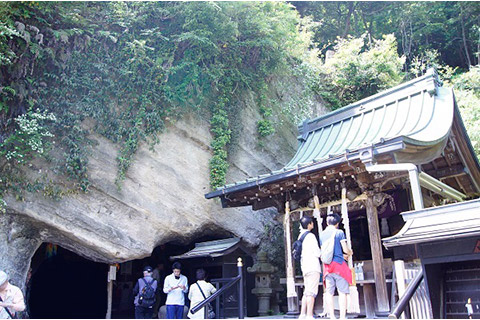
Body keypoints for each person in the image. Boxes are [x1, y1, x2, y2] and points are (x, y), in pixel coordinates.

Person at [320, 213, 353, 319]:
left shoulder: (322, 234)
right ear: (337, 223)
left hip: (327, 267)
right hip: (338, 265)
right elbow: (344, 249)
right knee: (342, 292)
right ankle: (342, 316)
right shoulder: (339, 232)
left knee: (329, 292)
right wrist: (349, 252)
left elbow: (328, 251)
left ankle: (332, 316)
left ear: (327, 222)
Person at [298, 216, 321, 320]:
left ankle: (302, 314)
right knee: (311, 292)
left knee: (306, 291)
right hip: (312, 266)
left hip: (305, 266)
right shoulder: (311, 236)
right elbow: (317, 252)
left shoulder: (300, 236)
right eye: (312, 223)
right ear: (309, 224)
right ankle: (309, 315)